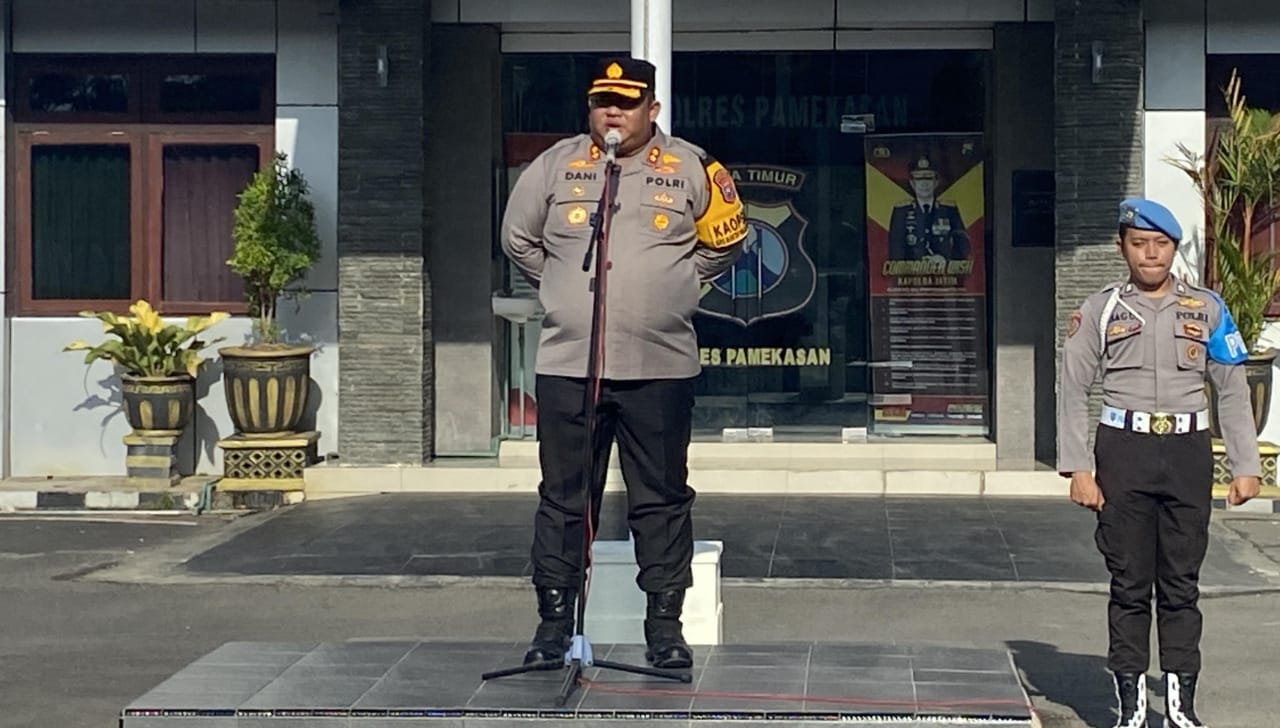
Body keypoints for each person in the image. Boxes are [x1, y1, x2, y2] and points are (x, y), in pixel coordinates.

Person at [500, 56, 747, 670]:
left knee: (660, 499)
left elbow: (725, 241)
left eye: (627, 102)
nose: (613, 112)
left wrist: (678, 285)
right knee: (564, 499)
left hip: (659, 366)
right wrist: (561, 287)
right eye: (602, 101)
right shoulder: (555, 165)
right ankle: (553, 625)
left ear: (652, 109)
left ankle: (664, 628)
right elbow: (518, 239)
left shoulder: (692, 167)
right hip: (570, 364)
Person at [1057, 198, 1261, 728]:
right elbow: (1073, 388)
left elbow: (1232, 390)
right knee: (1128, 584)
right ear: (1122, 248)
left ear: (1174, 249)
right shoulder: (1100, 310)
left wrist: (1246, 464)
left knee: (1181, 583)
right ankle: (1129, 708)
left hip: (1187, 453)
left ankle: (1179, 707)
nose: (1151, 254)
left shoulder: (1207, 308)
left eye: (1161, 244)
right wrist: (1078, 468)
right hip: (1123, 451)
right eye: (1139, 244)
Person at [887, 156, 970, 262]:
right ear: (912, 183)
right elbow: (896, 251)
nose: (924, 184)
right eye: (919, 178)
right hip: (911, 271)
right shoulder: (901, 212)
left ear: (936, 182)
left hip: (945, 271)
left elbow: (962, 246)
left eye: (929, 178)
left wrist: (945, 261)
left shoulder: (949, 210)